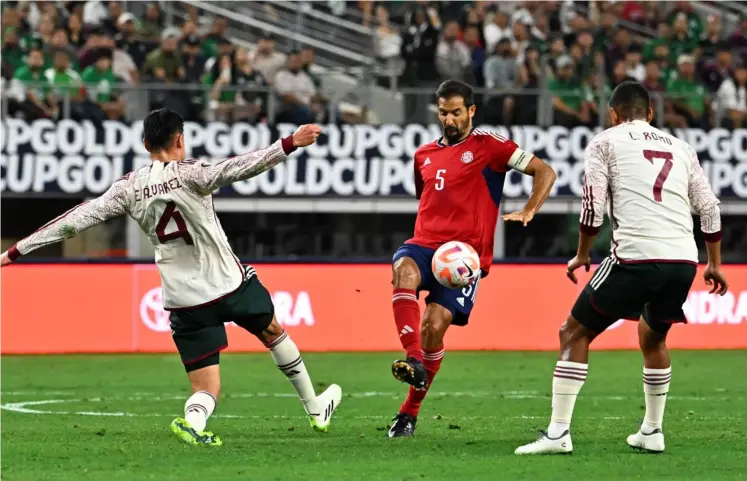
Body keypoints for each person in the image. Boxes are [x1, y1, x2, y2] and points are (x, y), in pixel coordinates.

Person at [0, 110, 341, 446]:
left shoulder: (128, 188)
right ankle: (314, 407)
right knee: (273, 331)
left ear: (146, 143)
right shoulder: (194, 174)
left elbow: (75, 219)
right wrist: (289, 143)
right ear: (180, 139)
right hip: (227, 284)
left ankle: (193, 421)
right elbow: (241, 166)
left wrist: (15, 252)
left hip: (183, 300)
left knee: (206, 386)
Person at [514, 81, 728, 455]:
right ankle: (652, 430)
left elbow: (592, 205)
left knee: (573, 332)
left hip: (634, 256)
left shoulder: (604, 142)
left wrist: (582, 254)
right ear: (650, 113)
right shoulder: (682, 147)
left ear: (613, 114)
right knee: (653, 337)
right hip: (682, 260)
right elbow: (709, 207)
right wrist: (714, 263)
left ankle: (558, 434)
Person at [387, 80, 557, 438]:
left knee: (433, 327)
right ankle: (413, 358)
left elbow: (545, 171)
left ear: (471, 112)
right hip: (424, 244)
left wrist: (529, 208)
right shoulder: (423, 155)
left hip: (463, 259)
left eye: (456, 112)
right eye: (443, 112)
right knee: (402, 270)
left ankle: (409, 412)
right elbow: (427, 200)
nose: (449, 119)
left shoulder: (489, 146)